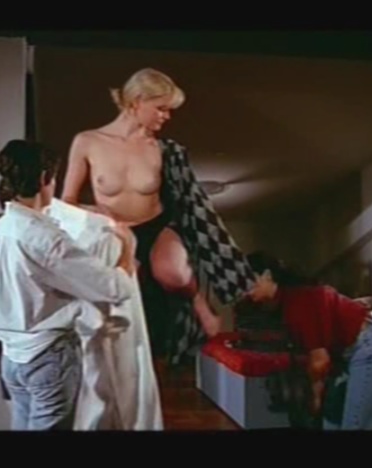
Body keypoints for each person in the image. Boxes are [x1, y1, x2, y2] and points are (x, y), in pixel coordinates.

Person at [61, 68, 251, 362]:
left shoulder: (162, 149)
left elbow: (191, 201)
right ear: (137, 101)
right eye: (161, 108)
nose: (167, 116)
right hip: (115, 230)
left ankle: (200, 303)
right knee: (129, 285)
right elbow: (67, 201)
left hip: (158, 224)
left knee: (172, 273)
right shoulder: (88, 142)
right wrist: (95, 212)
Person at [0, 139, 138, 430]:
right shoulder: (45, 238)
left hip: (12, 358)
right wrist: (127, 251)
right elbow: (114, 288)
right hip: (46, 356)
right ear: (45, 177)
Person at [240, 255, 372, 430]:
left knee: (353, 424)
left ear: (267, 275)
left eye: (249, 279)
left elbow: (320, 361)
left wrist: (316, 397)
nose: (245, 288)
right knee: (332, 419)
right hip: (360, 348)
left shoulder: (299, 300)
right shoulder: (284, 303)